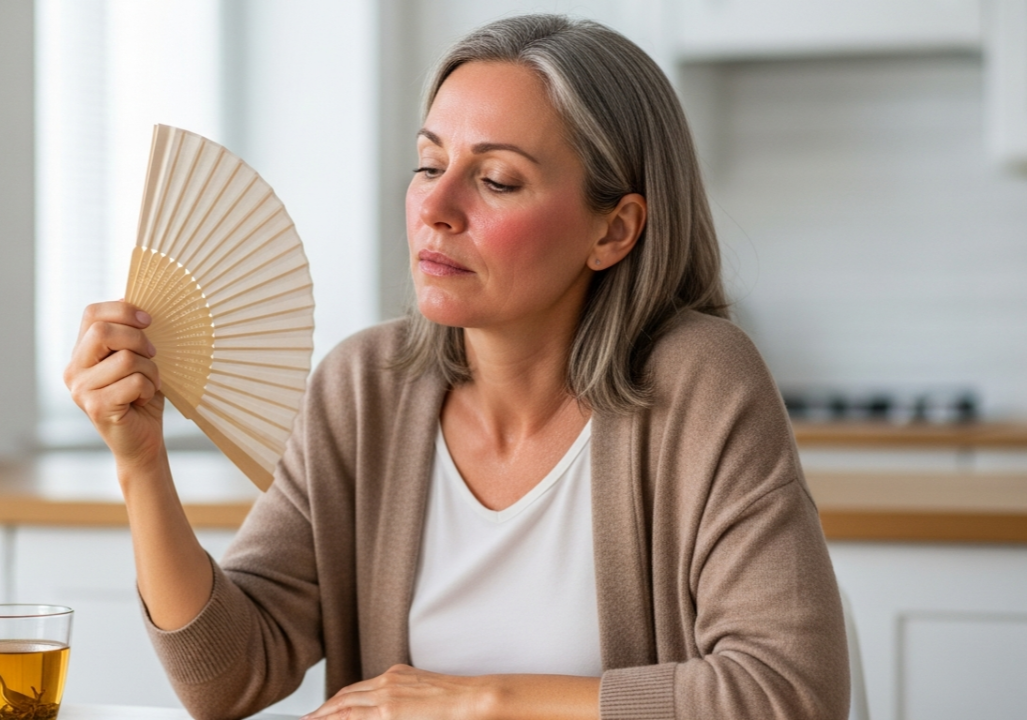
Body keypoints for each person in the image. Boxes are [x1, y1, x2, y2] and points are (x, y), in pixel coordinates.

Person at [64, 14, 850, 720]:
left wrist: (476, 701)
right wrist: (141, 463)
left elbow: (789, 693)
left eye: (497, 179)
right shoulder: (363, 388)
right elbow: (226, 678)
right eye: (427, 164)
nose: (437, 206)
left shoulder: (699, 383)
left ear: (614, 231)